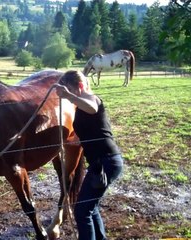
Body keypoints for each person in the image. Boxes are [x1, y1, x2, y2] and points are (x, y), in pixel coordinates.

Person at [54, 70, 124, 240]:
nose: (67, 94)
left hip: (107, 162)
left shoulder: (92, 100)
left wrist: (69, 96)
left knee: (82, 211)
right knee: (91, 207)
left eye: (70, 89)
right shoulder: (80, 108)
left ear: (79, 86)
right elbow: (83, 136)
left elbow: (92, 108)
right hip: (100, 164)